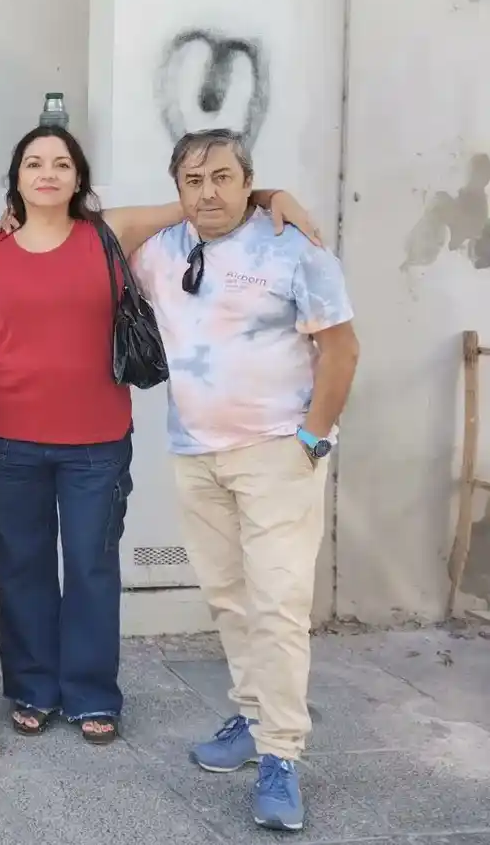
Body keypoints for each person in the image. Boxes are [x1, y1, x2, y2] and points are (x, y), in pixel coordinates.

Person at [0, 124, 319, 747]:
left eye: (61, 163)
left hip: (97, 439)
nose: (47, 172)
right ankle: (32, 687)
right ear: (17, 178)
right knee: (21, 566)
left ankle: (90, 693)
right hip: (6, 436)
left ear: (80, 178)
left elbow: (204, 200)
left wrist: (273, 196)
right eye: (33, 163)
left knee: (91, 567)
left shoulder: (110, 233)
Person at [131, 128, 358, 833]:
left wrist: (312, 437)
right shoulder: (162, 251)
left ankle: (281, 754)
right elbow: (100, 224)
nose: (209, 192)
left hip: (277, 453)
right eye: (193, 181)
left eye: (226, 178)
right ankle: (252, 711)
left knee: (279, 602)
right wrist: (194, 208)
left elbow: (341, 348)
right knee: (229, 595)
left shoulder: (295, 246)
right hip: (195, 453)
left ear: (249, 179)